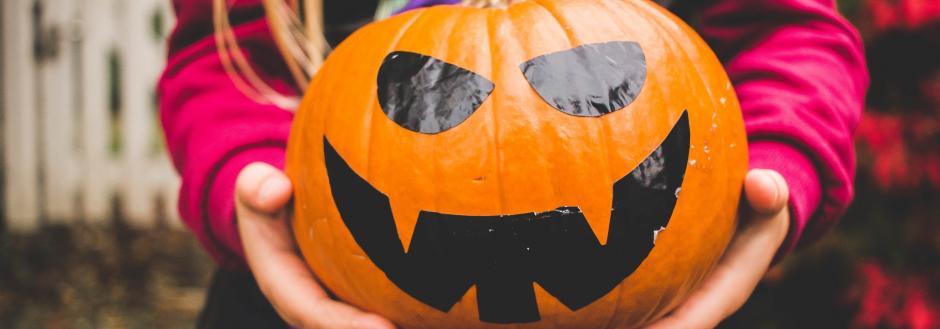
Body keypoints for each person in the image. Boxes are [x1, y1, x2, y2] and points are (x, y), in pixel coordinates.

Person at [158, 0, 868, 328]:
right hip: (307, 291)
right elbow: (224, 54)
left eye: (591, 85)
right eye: (427, 95)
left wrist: (777, 163)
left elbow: (787, 31)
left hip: (671, 297)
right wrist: (249, 185)